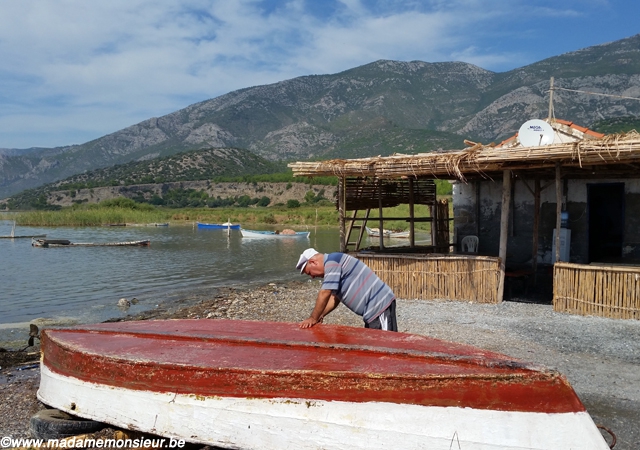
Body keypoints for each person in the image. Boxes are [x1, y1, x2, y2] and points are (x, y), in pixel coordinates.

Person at [296, 248, 397, 331]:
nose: (312, 277)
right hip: (373, 312)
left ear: (313, 262)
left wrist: (313, 318)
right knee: (375, 344)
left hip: (379, 306)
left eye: (309, 273)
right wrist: (321, 314)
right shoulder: (333, 264)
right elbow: (334, 298)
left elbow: (325, 293)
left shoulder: (332, 262)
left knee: (386, 343)